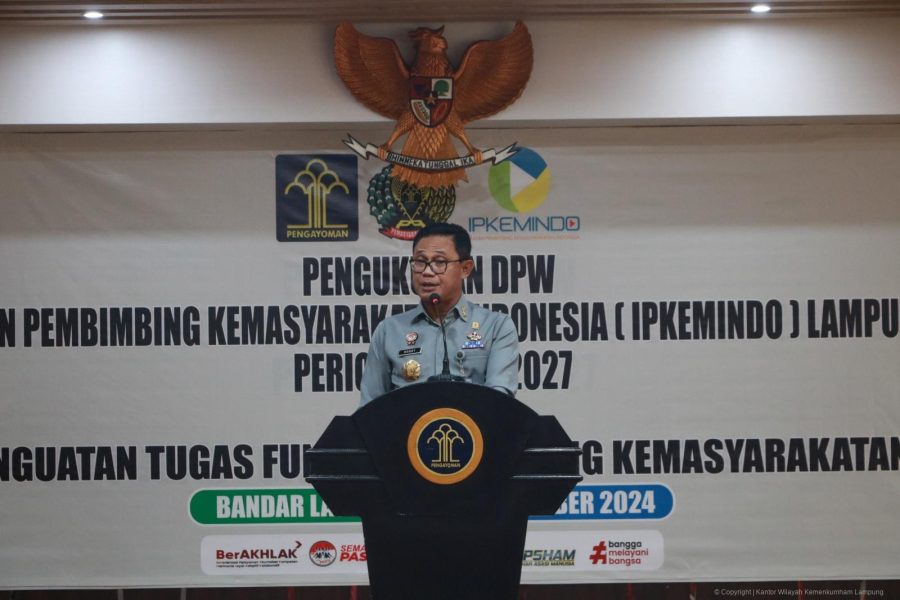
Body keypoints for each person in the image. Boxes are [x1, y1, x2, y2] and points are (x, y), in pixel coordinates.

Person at [359, 223, 519, 405]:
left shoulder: (496, 327)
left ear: (465, 268)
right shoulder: (389, 331)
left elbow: (499, 403)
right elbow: (369, 408)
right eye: (420, 262)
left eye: (439, 262)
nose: (427, 272)